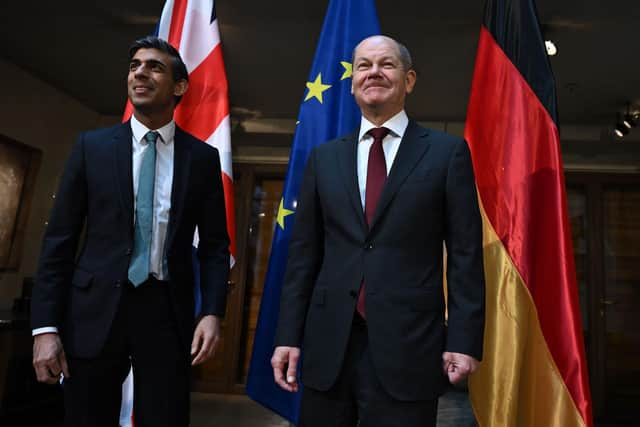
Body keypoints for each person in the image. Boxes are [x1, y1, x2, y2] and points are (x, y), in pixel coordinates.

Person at [271, 35, 486, 427]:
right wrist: (288, 335)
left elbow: (465, 255)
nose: (373, 72)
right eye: (363, 66)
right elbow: (304, 257)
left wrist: (463, 340)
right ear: (352, 82)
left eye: (386, 64)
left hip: (410, 345)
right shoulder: (324, 158)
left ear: (409, 80)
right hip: (328, 344)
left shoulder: (446, 153)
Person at [30, 36, 230, 427]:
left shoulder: (203, 159)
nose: (140, 72)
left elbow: (215, 247)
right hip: (93, 311)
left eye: (154, 66)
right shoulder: (92, 148)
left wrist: (212, 312)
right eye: (135, 65)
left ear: (179, 86)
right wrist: (45, 327)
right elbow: (59, 242)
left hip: (165, 312)